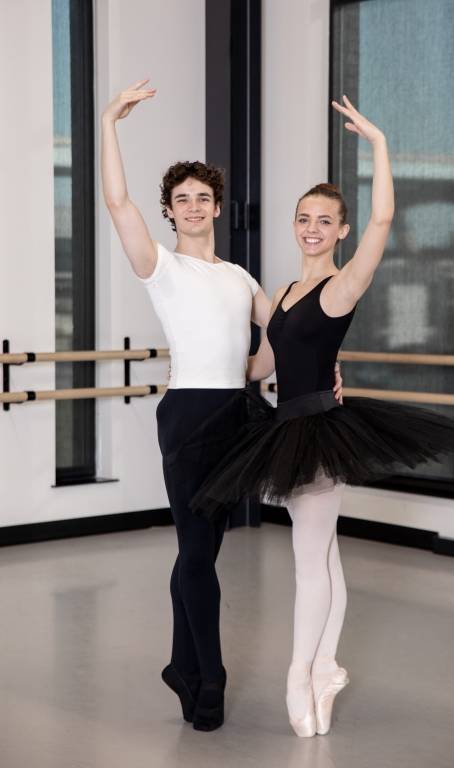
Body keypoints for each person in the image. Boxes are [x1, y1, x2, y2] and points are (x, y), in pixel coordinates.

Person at [187, 97, 454, 737]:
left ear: (341, 231)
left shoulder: (340, 288)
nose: (313, 228)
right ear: (294, 225)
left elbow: (385, 221)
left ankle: (299, 672)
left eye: (326, 221)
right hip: (285, 425)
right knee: (328, 557)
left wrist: (378, 144)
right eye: (304, 218)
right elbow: (261, 366)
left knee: (307, 560)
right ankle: (327, 668)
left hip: (318, 430)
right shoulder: (282, 293)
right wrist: (199, 370)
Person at [100, 79, 343, 733]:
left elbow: (285, 337)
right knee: (197, 552)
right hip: (186, 416)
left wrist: (328, 364)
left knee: (199, 549)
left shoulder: (240, 278)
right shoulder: (161, 267)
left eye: (203, 197)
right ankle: (210, 677)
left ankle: (181, 664)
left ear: (217, 207)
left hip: (240, 415)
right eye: (181, 200)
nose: (193, 207)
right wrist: (109, 122)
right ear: (170, 213)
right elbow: (118, 202)